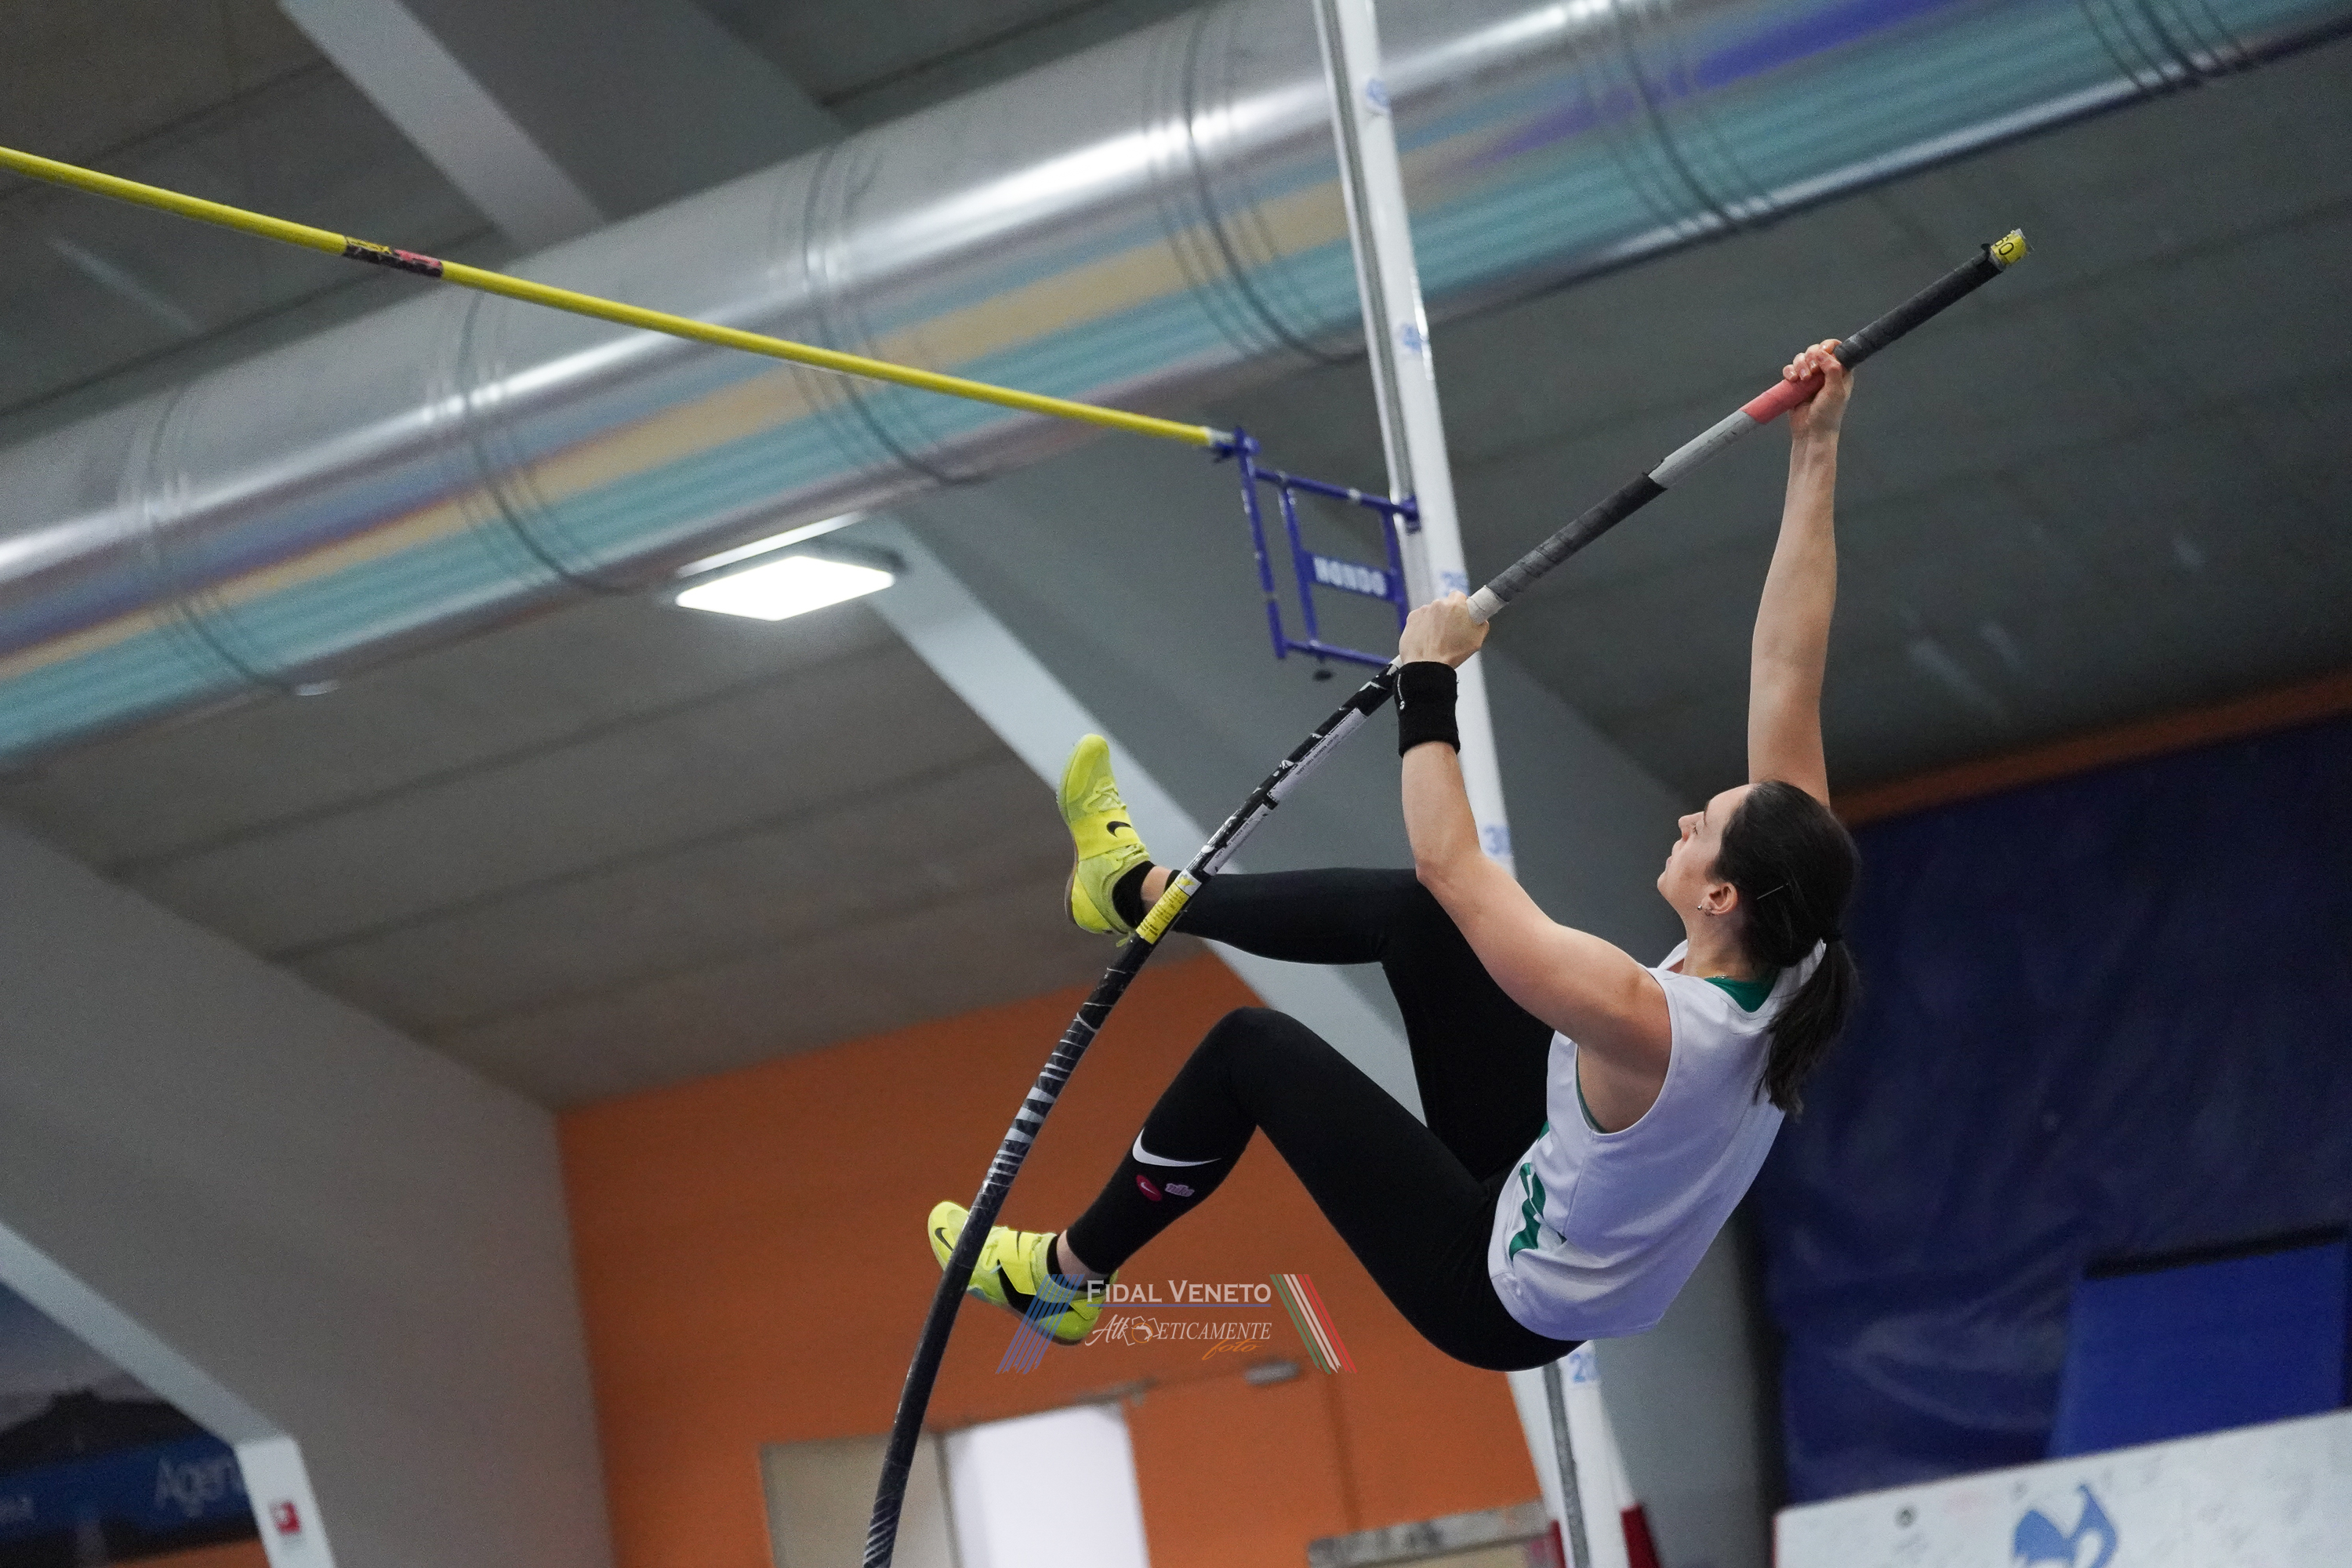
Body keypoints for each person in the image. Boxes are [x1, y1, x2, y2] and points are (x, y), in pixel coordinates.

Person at [928, 341, 1863, 1370]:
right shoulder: (1795, 938)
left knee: (1252, 1048)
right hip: (1557, 1167)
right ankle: (1130, 890)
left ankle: (1062, 1280)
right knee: (1421, 929)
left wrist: (1427, 680)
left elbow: (1451, 864)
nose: (1685, 820)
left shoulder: (1642, 1014)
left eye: (1705, 826)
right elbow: (1787, 669)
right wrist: (1815, 447)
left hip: (1501, 1295)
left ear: (1722, 894)